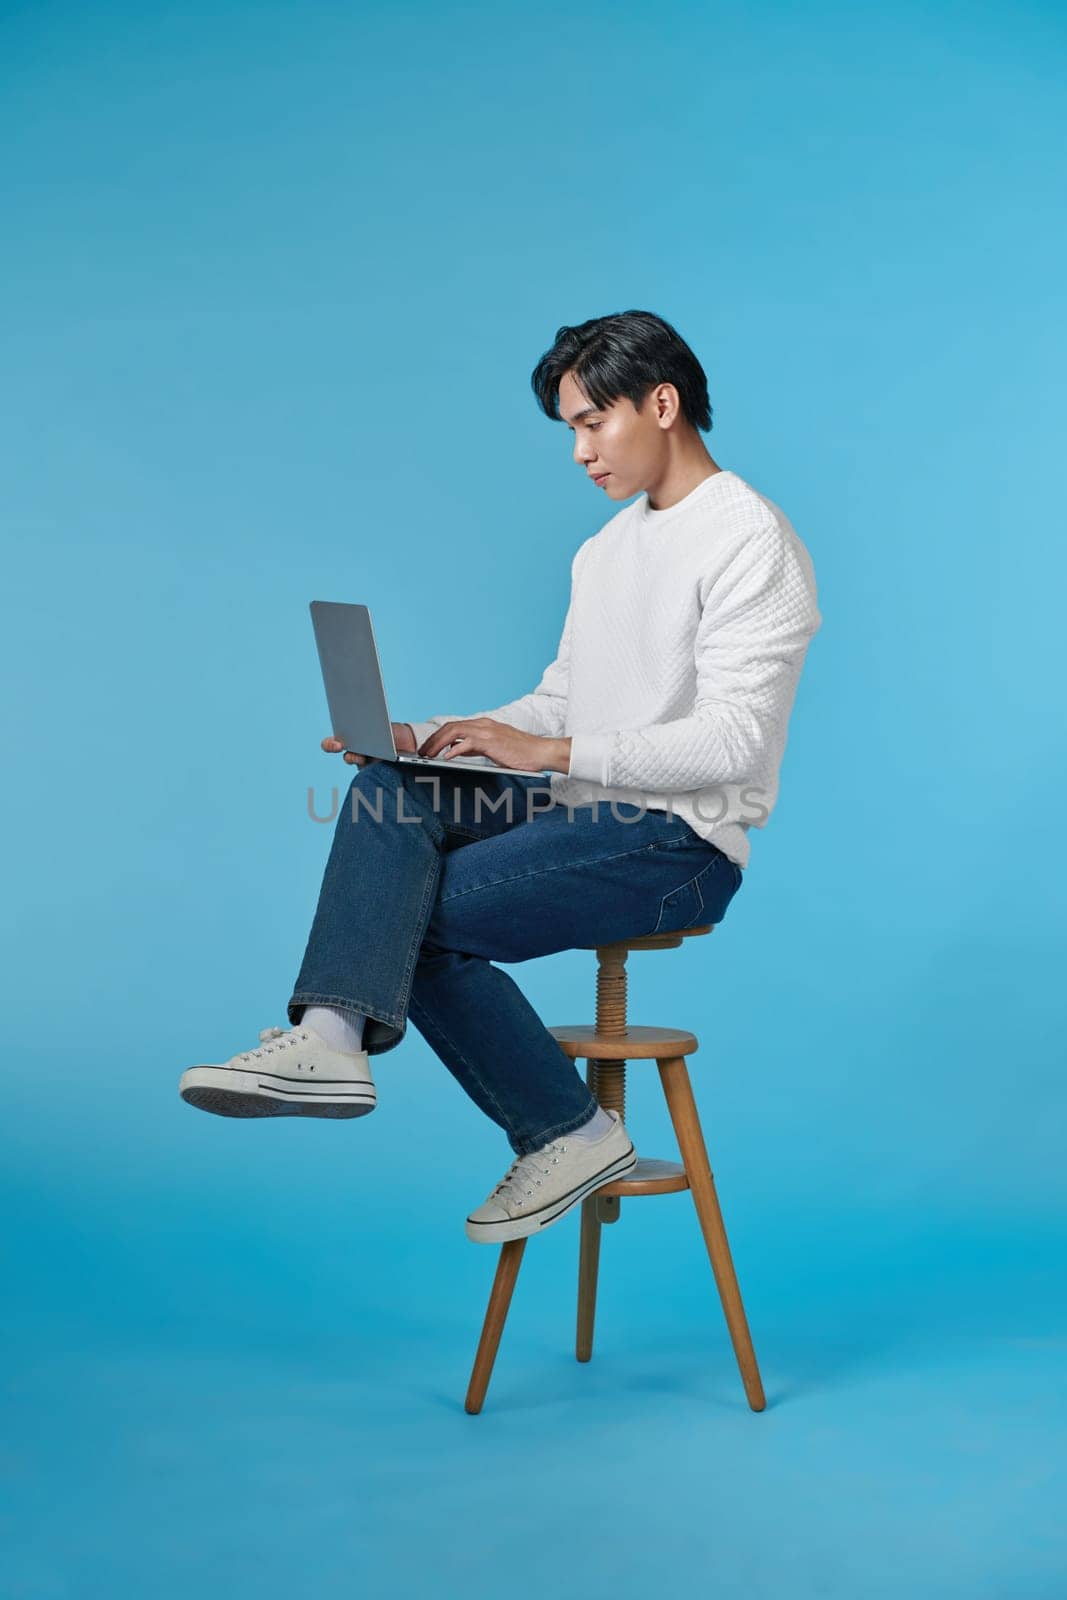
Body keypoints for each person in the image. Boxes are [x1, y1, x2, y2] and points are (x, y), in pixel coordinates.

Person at [179, 309, 822, 1247]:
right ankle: (329, 1036)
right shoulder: (602, 552)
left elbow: (732, 743)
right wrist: (429, 734)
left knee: (408, 922)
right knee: (388, 790)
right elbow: (561, 703)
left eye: (591, 422)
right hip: (584, 807)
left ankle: (569, 1132)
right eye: (569, 428)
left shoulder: (749, 539)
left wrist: (552, 755)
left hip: (681, 840)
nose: (578, 452)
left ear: (663, 403)